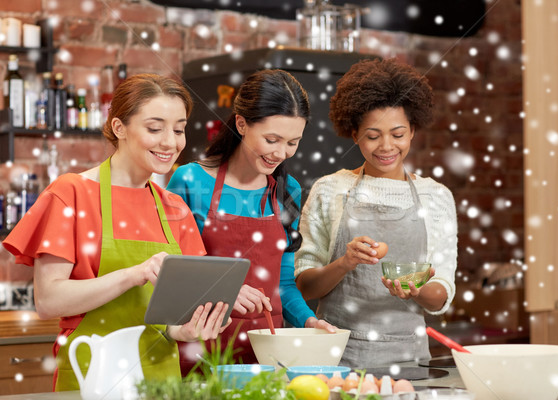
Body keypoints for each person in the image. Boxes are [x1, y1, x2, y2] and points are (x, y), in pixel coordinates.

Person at [2, 74, 231, 391]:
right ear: (119, 128)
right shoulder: (71, 193)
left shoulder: (174, 207)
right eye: (155, 128)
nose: (170, 141)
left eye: (178, 129)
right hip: (91, 375)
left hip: (160, 380)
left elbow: (172, 321)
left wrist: (186, 330)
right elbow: (49, 301)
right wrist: (132, 275)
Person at [167, 69, 335, 370]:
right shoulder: (190, 180)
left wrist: (309, 321)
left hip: (266, 354)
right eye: (272, 139)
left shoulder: (287, 191)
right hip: (200, 347)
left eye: (292, 142)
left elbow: (282, 283)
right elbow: (170, 274)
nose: (281, 153)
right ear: (242, 124)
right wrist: (225, 290)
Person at [294, 58, 458, 367]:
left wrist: (416, 291)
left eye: (397, 134)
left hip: (410, 361)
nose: (386, 146)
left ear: (412, 131)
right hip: (338, 356)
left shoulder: (436, 197)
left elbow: (441, 297)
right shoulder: (330, 190)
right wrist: (345, 262)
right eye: (372, 135)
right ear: (354, 134)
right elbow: (305, 285)